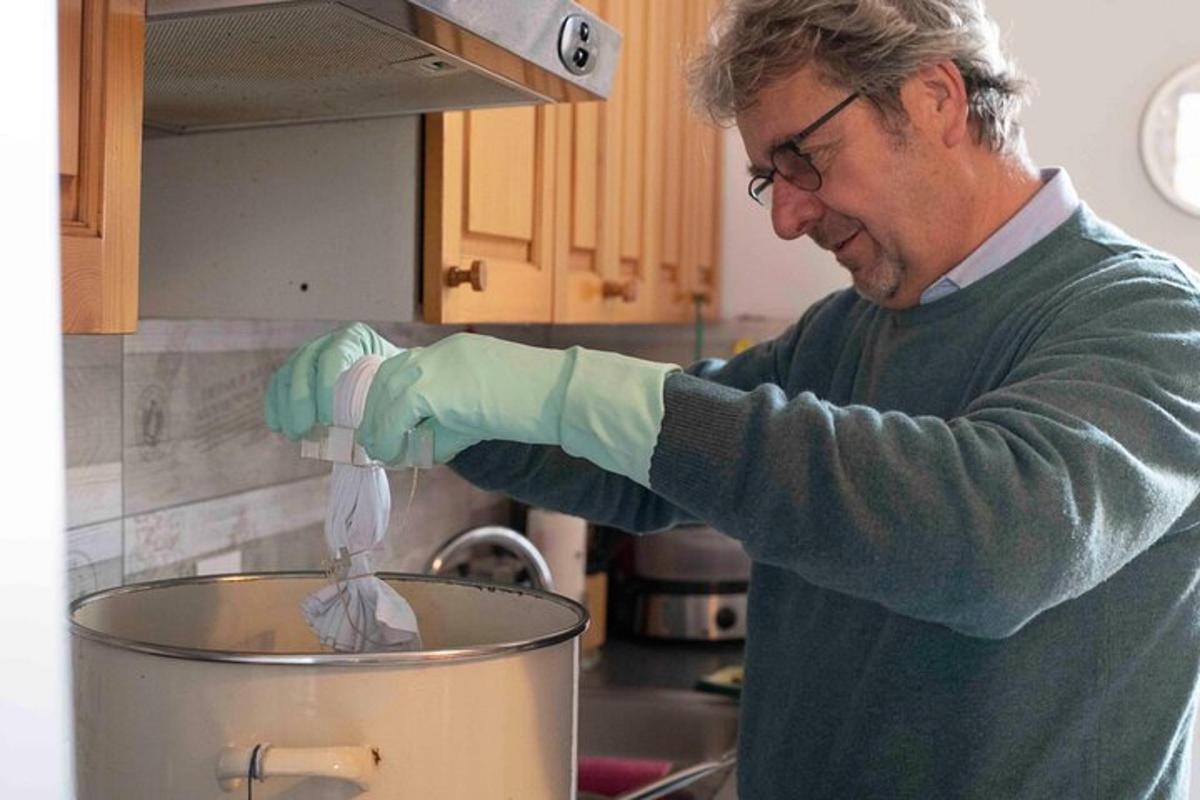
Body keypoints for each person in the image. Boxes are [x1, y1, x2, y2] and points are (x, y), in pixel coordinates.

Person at [264, 0, 1200, 796]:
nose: (788, 215)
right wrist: (449, 410)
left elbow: (998, 542)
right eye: (770, 178)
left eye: (806, 158)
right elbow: (656, 468)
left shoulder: (1153, 320)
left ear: (937, 98)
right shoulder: (850, 327)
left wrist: (561, 388)